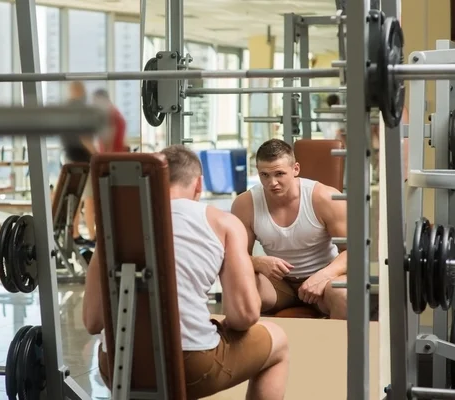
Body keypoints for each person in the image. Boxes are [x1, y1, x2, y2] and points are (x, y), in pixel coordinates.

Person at [82, 144, 289, 400]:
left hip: (115, 365)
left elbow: (92, 321)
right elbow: (244, 316)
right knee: (278, 341)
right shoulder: (223, 222)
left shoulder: (114, 223)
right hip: (191, 366)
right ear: (199, 184)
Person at [231, 138, 348, 320]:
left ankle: (339, 348)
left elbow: (355, 252)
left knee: (343, 294)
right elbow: (235, 256)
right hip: (280, 285)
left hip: (325, 281)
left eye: (279, 174)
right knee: (239, 287)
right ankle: (248, 346)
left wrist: (323, 275)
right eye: (265, 175)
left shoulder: (324, 197)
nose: (272, 183)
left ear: (295, 169)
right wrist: (258, 262)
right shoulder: (245, 204)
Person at [61, 81, 97, 246]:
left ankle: (74, 234)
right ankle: (92, 235)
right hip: (83, 160)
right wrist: (97, 154)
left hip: (69, 158)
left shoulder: (66, 110)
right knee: (89, 198)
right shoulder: (80, 111)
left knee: (73, 199)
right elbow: (85, 137)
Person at [92, 88, 127, 153]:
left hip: (111, 158)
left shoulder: (111, 115)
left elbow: (108, 143)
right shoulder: (115, 113)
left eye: (95, 100)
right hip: (114, 156)